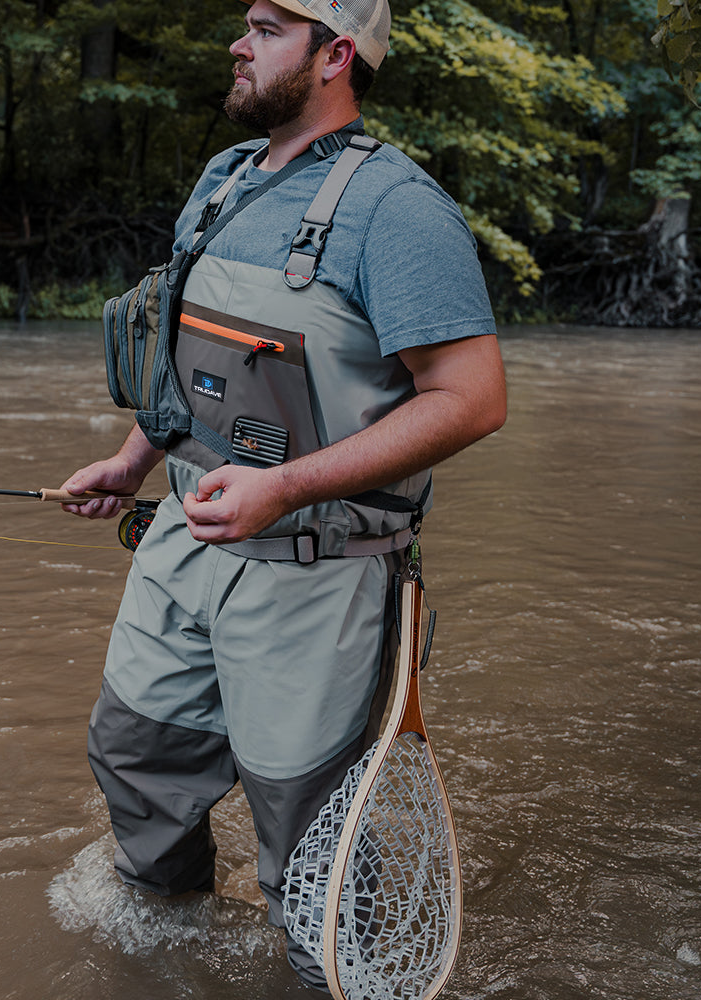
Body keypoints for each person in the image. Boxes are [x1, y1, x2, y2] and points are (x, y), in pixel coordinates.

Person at [61, 0, 507, 989]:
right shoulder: (222, 181)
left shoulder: (398, 210)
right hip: (183, 538)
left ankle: (335, 975)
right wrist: (135, 457)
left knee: (308, 830)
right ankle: (164, 955)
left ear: (335, 54)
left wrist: (285, 487)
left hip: (320, 575)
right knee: (134, 757)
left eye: (265, 27)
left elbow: (473, 401)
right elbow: (180, 349)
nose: (237, 41)